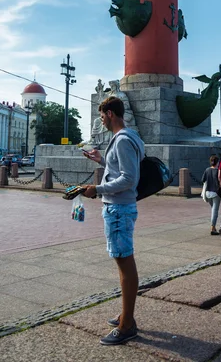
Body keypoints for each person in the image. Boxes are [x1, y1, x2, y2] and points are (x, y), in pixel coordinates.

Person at [83, 96, 144, 346]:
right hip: (120, 208)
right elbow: (123, 169)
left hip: (118, 209)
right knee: (123, 264)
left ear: (110, 113)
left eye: (101, 117)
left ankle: (127, 324)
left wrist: (97, 189)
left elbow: (129, 179)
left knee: (125, 266)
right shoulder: (130, 137)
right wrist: (101, 160)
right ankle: (126, 315)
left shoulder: (121, 140)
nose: (101, 122)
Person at [202, 155, 221, 235]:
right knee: (215, 210)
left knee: (213, 209)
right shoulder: (218, 171)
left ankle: (213, 226)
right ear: (217, 162)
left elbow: (203, 180)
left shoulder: (207, 170)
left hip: (207, 193)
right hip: (216, 193)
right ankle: (213, 227)